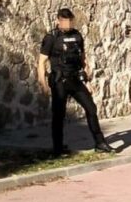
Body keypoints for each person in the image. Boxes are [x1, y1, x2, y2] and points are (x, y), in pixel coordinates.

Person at [37, 8, 114, 155]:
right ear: (58, 21)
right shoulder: (51, 37)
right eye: (65, 21)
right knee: (59, 115)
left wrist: (88, 80)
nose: (68, 24)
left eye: (70, 21)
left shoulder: (77, 36)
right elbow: (41, 62)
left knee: (91, 109)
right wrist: (43, 85)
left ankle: (100, 143)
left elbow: (83, 59)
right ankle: (58, 148)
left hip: (75, 80)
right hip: (60, 81)